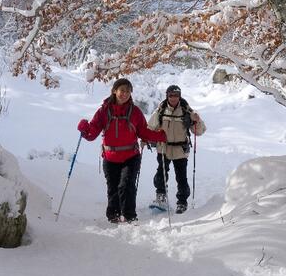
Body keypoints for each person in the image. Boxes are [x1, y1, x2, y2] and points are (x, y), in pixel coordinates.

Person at [77, 78, 167, 223]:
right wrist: (84, 128)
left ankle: (130, 216)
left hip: (130, 156)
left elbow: (143, 132)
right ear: (114, 91)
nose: (125, 94)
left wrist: (160, 136)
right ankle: (114, 215)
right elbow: (92, 134)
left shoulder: (135, 112)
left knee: (126, 185)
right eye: (122, 90)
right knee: (112, 188)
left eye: (128, 91)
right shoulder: (103, 111)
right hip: (110, 157)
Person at [147, 84, 206, 214]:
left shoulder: (187, 111)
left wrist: (197, 120)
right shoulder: (161, 111)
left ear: (180, 96)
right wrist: (145, 138)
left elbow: (200, 131)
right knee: (161, 174)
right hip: (163, 148)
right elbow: (150, 127)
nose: (173, 98)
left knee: (181, 177)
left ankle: (182, 202)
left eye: (176, 95)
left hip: (180, 149)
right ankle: (161, 197)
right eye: (171, 95)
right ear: (167, 96)